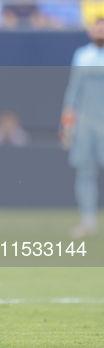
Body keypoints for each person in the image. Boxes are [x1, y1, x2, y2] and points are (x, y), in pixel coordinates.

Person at [60, 17, 104, 238]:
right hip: (85, 125)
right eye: (98, 29)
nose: (101, 33)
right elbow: (73, 93)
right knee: (85, 172)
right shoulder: (82, 56)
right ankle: (88, 222)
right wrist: (67, 126)